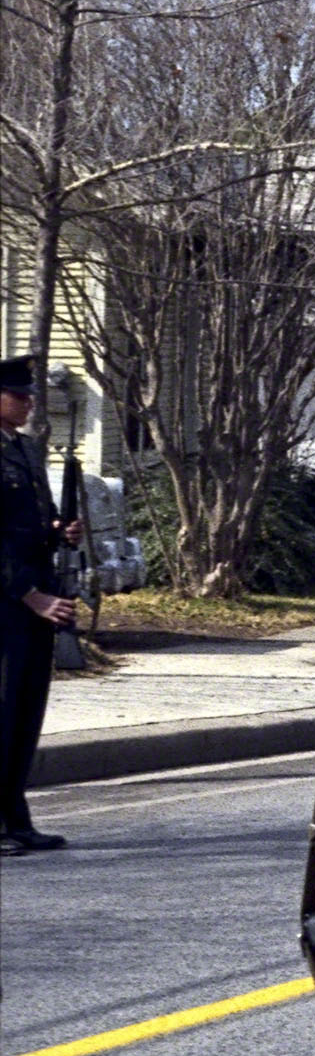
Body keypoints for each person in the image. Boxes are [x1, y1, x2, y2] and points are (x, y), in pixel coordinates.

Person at [2, 356, 82, 856]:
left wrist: (59, 531)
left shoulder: (27, 450)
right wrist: (29, 595)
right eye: (18, 393)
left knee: (25, 713)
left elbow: (35, 520)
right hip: (11, 602)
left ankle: (15, 820)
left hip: (37, 599)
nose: (29, 400)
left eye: (29, 393)